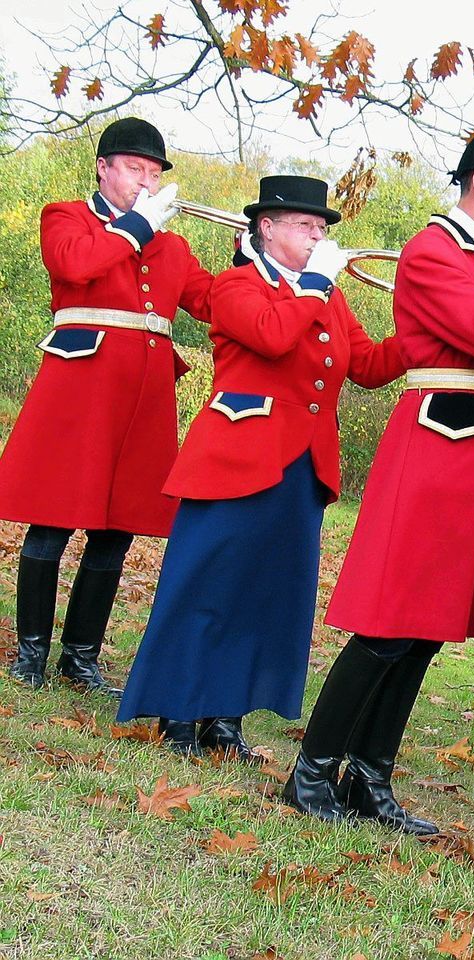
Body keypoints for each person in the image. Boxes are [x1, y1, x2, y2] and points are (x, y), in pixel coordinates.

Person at [283, 123, 474, 835]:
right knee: (390, 624)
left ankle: (369, 778)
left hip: (472, 457)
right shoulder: (433, 249)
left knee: (426, 631)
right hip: (436, 455)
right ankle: (313, 773)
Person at [115, 176, 404, 757]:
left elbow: (368, 365)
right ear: (266, 228)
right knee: (206, 587)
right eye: (305, 225)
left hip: (302, 467)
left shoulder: (328, 297)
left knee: (264, 598)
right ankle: (178, 713)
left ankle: (227, 719)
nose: (316, 236)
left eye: (321, 229)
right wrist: (318, 283)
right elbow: (272, 337)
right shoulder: (236, 284)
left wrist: (429, 334)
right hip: (236, 457)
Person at [0, 118, 213, 697]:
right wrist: (137, 226)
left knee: (117, 529)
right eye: (135, 169)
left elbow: (210, 302)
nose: (146, 181)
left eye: (153, 172)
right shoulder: (65, 216)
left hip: (143, 398)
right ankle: (31, 654)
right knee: (52, 520)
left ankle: (80, 657)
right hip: (80, 390)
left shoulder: (172, 245)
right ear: (104, 167)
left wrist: (256, 260)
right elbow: (74, 265)